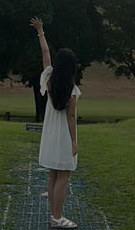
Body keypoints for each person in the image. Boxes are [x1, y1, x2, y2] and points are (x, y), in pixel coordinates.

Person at [29, 16, 80, 230]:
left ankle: (54, 215)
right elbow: (70, 118)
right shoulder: (73, 91)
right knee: (64, 176)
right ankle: (57, 218)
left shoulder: (49, 79)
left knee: (53, 174)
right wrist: (75, 142)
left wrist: (41, 31)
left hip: (49, 136)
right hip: (63, 138)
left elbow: (45, 54)